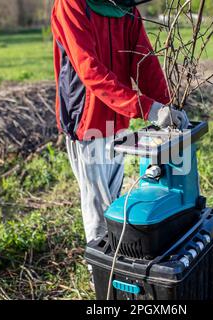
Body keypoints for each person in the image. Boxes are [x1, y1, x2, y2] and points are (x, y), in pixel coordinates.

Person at [51, 0, 189, 243]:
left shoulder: (125, 8)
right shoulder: (71, 5)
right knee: (98, 213)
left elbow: (144, 61)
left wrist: (166, 105)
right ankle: (101, 275)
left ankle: (120, 267)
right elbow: (90, 70)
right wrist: (147, 108)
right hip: (87, 121)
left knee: (114, 204)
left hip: (117, 122)